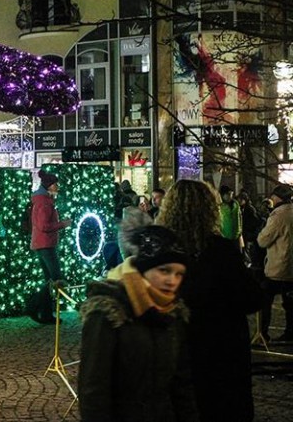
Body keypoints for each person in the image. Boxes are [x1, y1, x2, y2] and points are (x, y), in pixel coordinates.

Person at [157, 179, 264, 422]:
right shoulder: (222, 251)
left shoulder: (159, 253)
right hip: (222, 352)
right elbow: (252, 298)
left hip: (176, 350)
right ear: (209, 210)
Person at [78, 225, 198, 422]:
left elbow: (181, 385)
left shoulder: (174, 314)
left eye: (179, 274)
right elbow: (93, 390)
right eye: (164, 270)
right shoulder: (109, 313)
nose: (172, 281)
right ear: (144, 269)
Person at [29, 170, 71, 324]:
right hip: (45, 244)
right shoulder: (45, 203)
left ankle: (45, 313)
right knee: (55, 278)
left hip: (42, 244)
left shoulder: (42, 200)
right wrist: (63, 224)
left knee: (49, 280)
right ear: (49, 186)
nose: (57, 186)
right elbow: (44, 225)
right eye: (55, 184)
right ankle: (33, 306)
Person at [256, 183, 293, 342]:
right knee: (290, 304)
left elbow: (263, 240)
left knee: (265, 301)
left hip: (278, 267)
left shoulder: (278, 216)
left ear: (278, 198)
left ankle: (263, 333)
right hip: (291, 267)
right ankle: (290, 332)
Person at [219, 185, 243, 251]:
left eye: (231, 194)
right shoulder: (219, 206)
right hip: (224, 236)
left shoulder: (236, 204)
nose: (230, 196)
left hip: (236, 235)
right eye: (228, 194)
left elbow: (240, 217)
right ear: (223, 195)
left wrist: (240, 230)